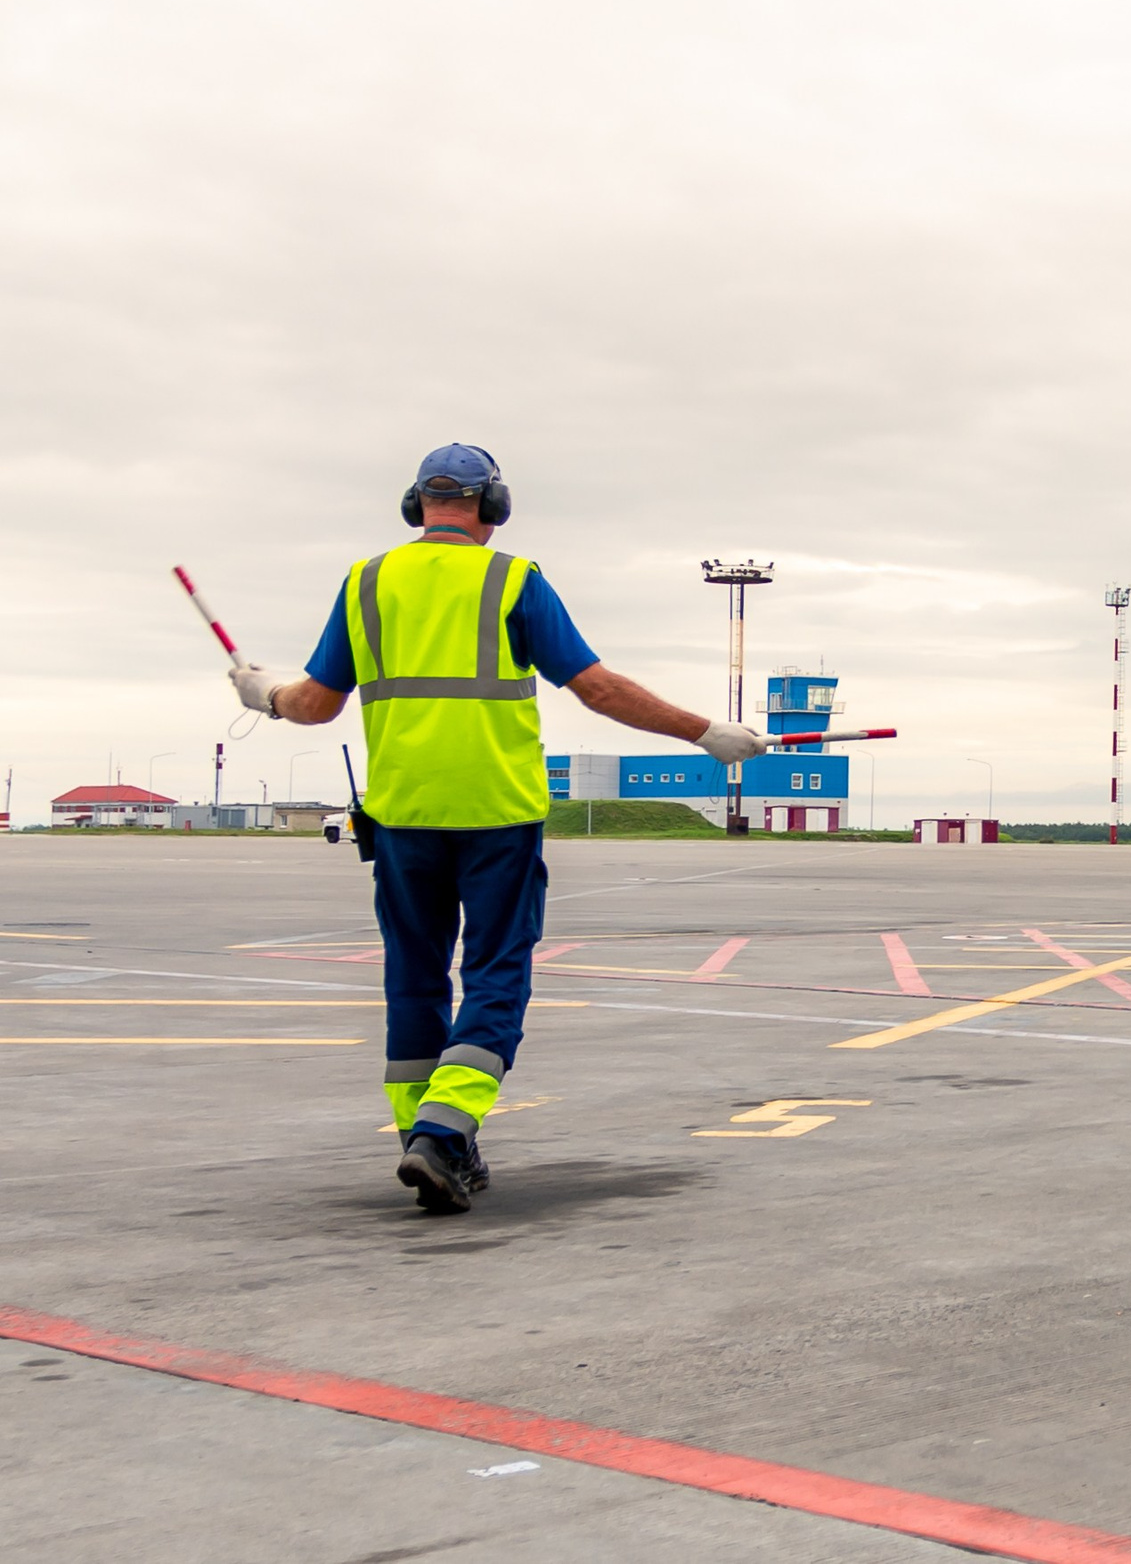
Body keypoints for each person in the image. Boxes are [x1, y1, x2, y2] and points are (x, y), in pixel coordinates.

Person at [228, 445, 767, 1213]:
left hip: (403, 814)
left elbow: (317, 703)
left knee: (413, 979)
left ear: (417, 504)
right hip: (498, 815)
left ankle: (428, 1134)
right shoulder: (514, 579)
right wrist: (703, 731)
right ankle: (445, 1134)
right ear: (494, 504)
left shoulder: (365, 581)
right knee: (495, 974)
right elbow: (599, 688)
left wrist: (267, 694)